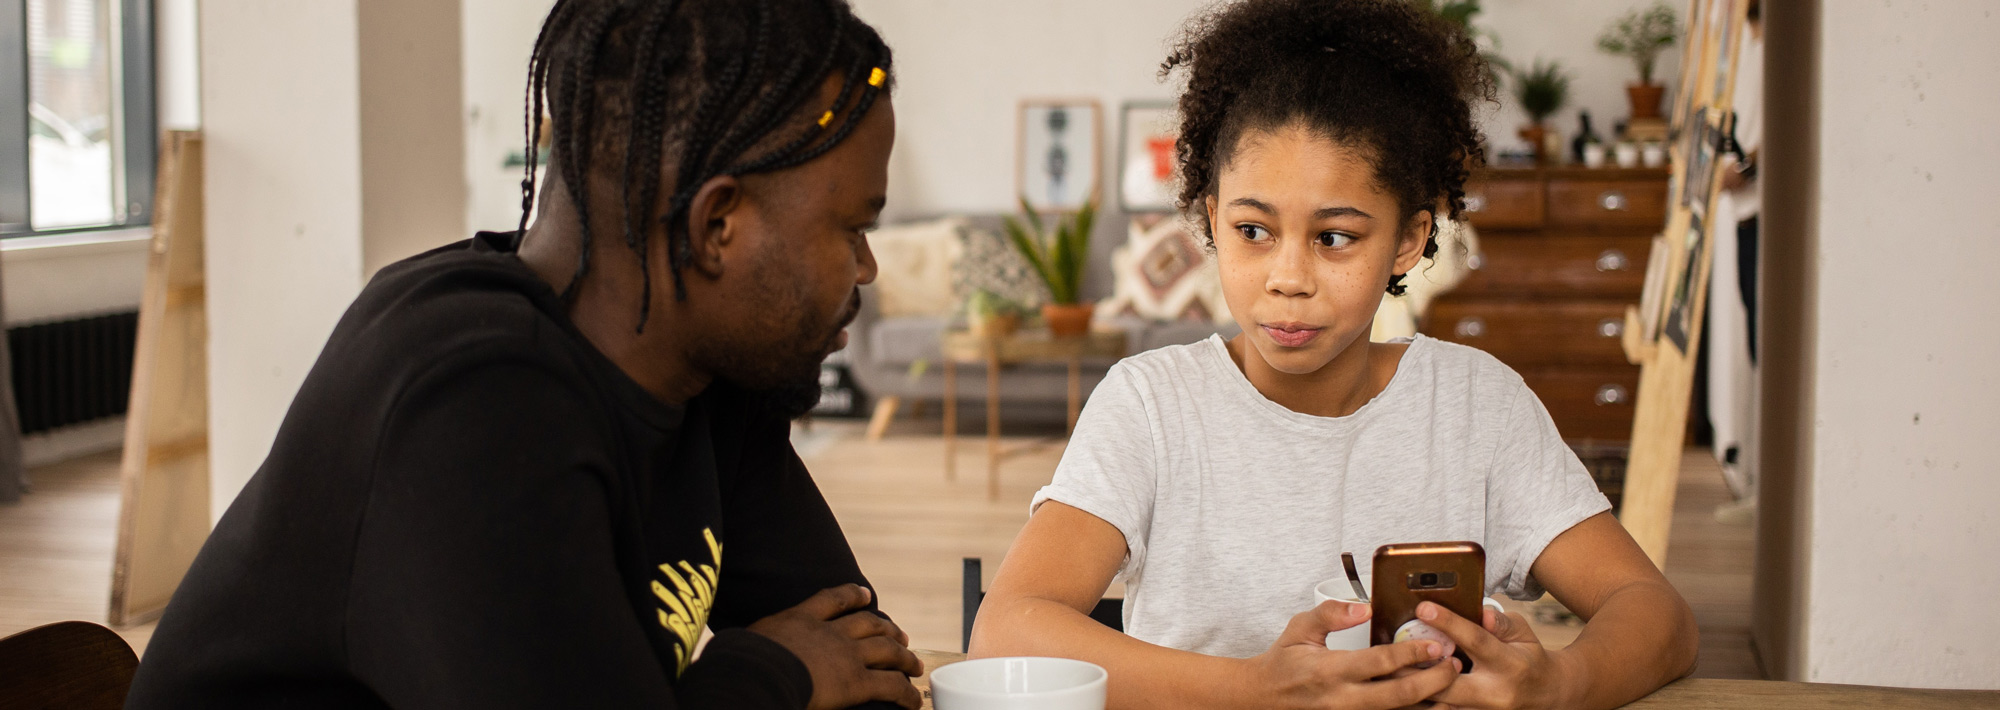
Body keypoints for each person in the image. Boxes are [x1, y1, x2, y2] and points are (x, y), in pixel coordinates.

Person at [125, 1, 923, 708]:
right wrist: (768, 676)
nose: (866, 268)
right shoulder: (469, 401)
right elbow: (806, 664)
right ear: (718, 227)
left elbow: (860, 657)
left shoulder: (711, 368)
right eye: (853, 229)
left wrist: (794, 672)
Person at [969, 1, 1700, 708]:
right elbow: (1004, 632)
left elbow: (1657, 616)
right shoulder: (1150, 407)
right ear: (1212, 219)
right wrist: (1253, 692)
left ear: (1408, 241)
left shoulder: (1478, 407)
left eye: (1336, 238)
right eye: (1253, 230)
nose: (1288, 278)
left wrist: (1561, 686)